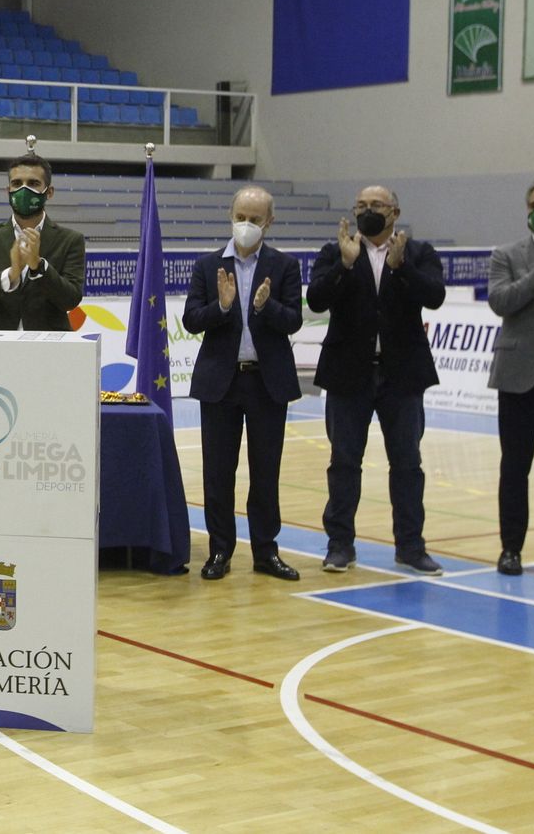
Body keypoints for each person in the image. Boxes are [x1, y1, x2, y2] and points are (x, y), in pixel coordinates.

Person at [308, 185, 446, 575]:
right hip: (348, 373)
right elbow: (316, 300)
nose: (367, 211)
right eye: (361, 206)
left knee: (407, 464)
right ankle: (340, 545)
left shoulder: (418, 253)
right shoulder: (336, 251)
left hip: (402, 375)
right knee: (344, 463)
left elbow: (434, 296)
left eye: (376, 206)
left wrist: (403, 268)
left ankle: (411, 546)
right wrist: (345, 266)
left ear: (395, 212)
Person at [182, 186, 303, 582]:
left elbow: (294, 322)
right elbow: (192, 320)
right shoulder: (207, 266)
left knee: (265, 472)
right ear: (230, 216)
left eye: (254, 219)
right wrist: (222, 306)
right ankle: (220, 551)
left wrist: (266, 307)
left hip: (268, 383)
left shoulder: (284, 266)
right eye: (240, 216)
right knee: (218, 472)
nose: (246, 225)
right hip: (221, 382)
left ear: (269, 221)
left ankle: (266, 552)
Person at [0, 153, 86, 331]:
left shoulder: (70, 240)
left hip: (49, 347)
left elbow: (71, 300)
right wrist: (11, 274)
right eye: (17, 183)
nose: (24, 190)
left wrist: (38, 267)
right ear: (8, 191)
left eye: (33, 183)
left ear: (49, 192)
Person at [487, 180, 534, 576]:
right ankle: (511, 549)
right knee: (515, 467)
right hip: (519, 376)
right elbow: (501, 301)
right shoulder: (507, 255)